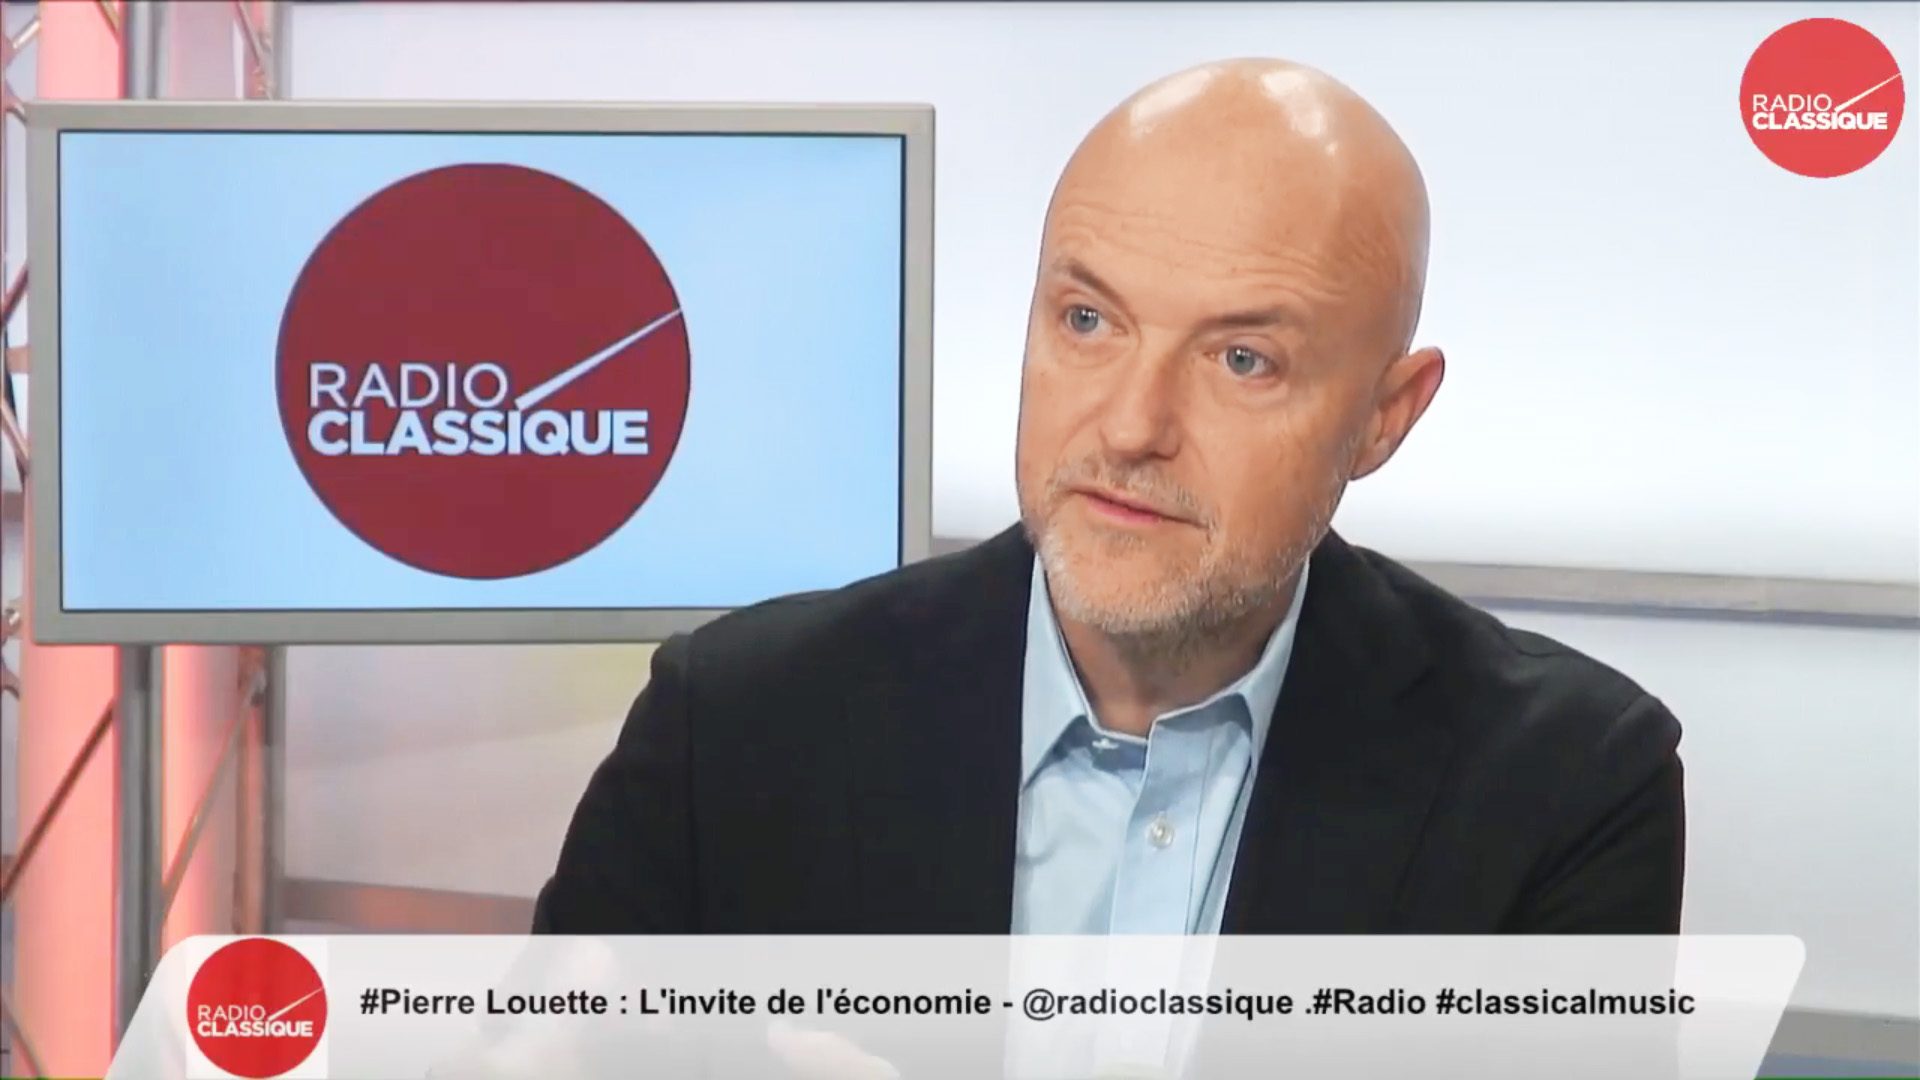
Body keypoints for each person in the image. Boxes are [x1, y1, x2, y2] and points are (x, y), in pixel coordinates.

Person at [533, 58, 1685, 936]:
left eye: (1242, 359)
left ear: (1387, 415)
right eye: (1088, 320)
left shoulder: (1568, 786)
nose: (1131, 427)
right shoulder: (732, 727)